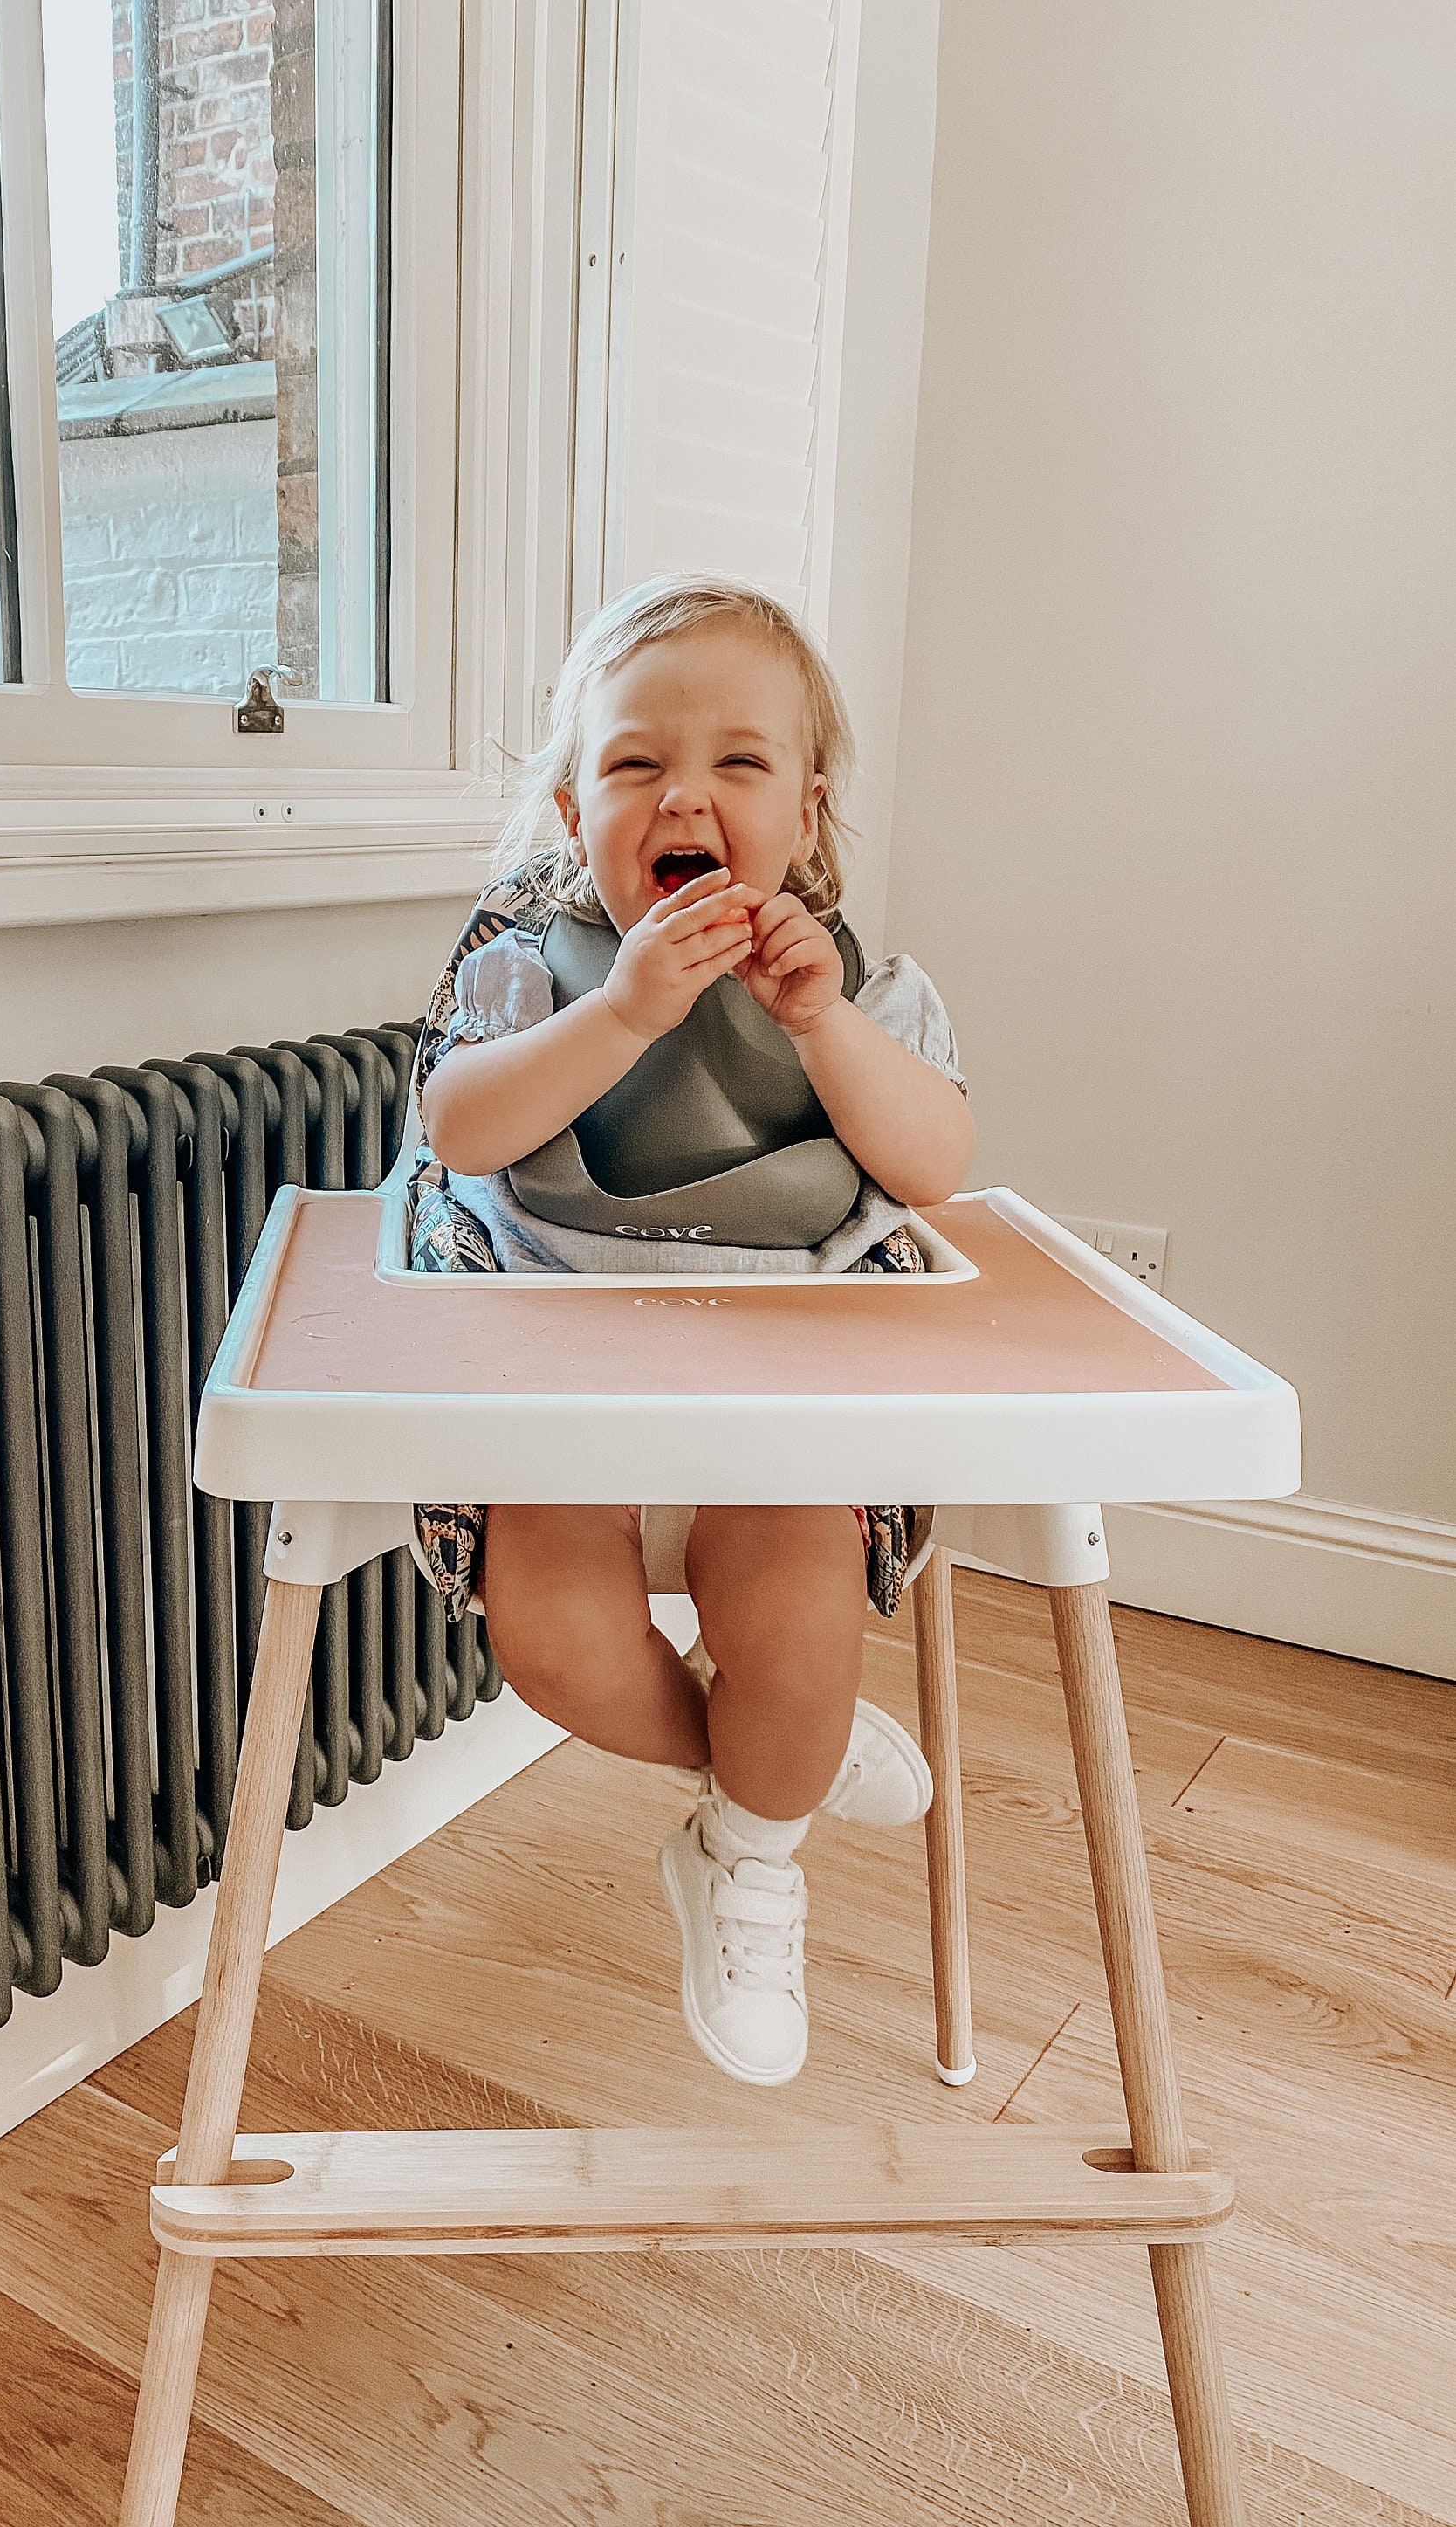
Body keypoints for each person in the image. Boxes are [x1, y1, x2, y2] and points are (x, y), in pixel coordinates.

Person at [409, 572, 975, 2087]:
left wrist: (820, 1030)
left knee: (791, 1607)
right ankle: (774, 1753)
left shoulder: (861, 984)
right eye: (633, 762)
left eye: (738, 762)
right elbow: (459, 1126)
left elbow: (930, 1164)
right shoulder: (529, 967)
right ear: (566, 806)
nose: (685, 792)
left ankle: (745, 1845)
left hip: (779, 1370)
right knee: (558, 1644)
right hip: (556, 1364)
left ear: (806, 810)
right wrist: (621, 1018)